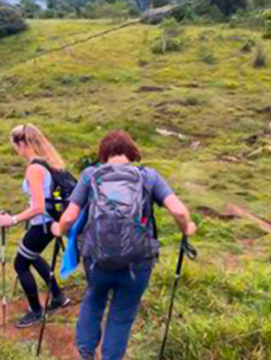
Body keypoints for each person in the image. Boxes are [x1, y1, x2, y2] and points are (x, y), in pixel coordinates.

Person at [51, 131, 197, 360]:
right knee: (122, 313)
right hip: (138, 261)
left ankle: (86, 353)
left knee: (94, 299)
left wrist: (58, 230)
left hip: (96, 258)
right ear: (131, 152)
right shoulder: (149, 176)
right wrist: (187, 227)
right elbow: (178, 210)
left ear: (103, 154)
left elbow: (69, 218)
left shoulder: (90, 175)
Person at [0, 124, 71, 329]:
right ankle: (58, 297)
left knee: (20, 264)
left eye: (15, 145)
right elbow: (41, 199)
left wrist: (12, 220)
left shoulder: (34, 169)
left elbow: (39, 207)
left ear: (22, 143)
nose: (15, 149)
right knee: (33, 256)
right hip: (50, 223)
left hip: (42, 225)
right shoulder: (47, 163)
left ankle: (36, 311)